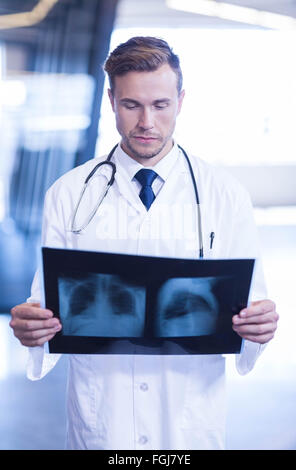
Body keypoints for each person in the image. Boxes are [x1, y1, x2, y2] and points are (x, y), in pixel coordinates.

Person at [9, 36, 279, 450]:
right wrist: (33, 327)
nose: (146, 122)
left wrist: (258, 327)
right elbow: (45, 307)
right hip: (103, 419)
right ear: (111, 100)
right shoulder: (67, 193)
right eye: (131, 105)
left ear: (181, 100)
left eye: (161, 105)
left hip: (187, 421)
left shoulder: (225, 195)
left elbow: (250, 309)